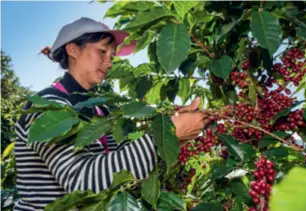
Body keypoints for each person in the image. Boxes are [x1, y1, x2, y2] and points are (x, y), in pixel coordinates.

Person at [14, 17, 210, 211]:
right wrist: (169, 135)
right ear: (73, 49)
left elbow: (125, 165)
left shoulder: (102, 109)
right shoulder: (47, 106)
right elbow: (81, 181)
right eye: (102, 51)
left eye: (112, 56)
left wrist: (169, 133)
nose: (109, 63)